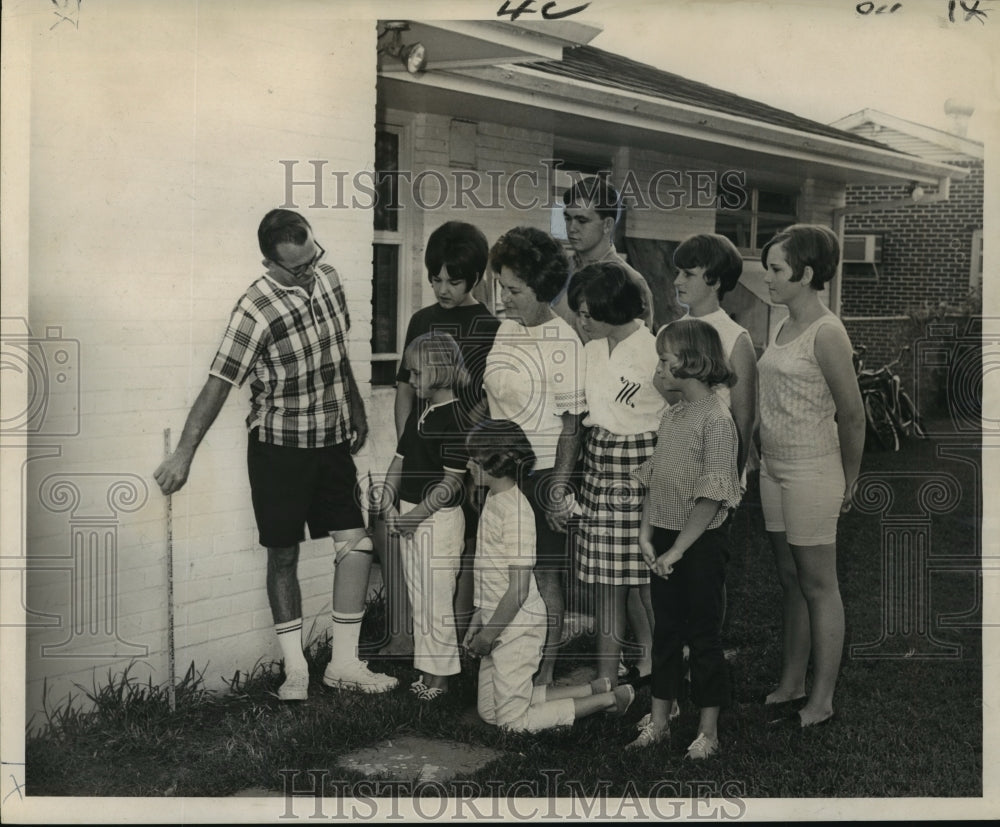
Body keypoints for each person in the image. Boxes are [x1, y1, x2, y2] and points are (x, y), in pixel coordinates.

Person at [153, 208, 396, 700]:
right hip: (278, 449)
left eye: (312, 259)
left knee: (358, 546)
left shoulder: (327, 279)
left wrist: (356, 407)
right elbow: (219, 383)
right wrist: (184, 453)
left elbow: (338, 353)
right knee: (283, 555)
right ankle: (296, 671)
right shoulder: (255, 308)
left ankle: (344, 664)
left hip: (330, 442)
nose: (309, 271)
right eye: (297, 267)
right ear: (270, 262)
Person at [757, 224, 865, 729]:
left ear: (806, 273)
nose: (768, 278)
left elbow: (853, 413)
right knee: (789, 580)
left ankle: (821, 700)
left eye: (777, 270)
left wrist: (851, 477)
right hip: (774, 469)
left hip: (813, 471)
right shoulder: (779, 325)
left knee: (819, 584)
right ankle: (792, 682)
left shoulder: (828, 331)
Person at [463, 419, 635, 731]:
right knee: (489, 713)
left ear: (496, 464)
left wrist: (489, 636)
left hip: (517, 627)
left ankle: (611, 700)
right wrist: (480, 614)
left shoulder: (516, 513)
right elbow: (488, 569)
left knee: (512, 724)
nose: (467, 465)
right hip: (496, 618)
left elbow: (517, 591)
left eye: (474, 460)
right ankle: (591, 689)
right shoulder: (493, 499)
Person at [380, 221, 500, 657]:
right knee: (404, 539)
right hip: (421, 456)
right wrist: (408, 449)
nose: (442, 288)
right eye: (435, 279)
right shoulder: (422, 320)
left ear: (476, 278)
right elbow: (405, 391)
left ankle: (458, 641)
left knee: (461, 549)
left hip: (468, 459)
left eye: (453, 281)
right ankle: (406, 635)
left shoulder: (489, 327)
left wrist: (474, 465)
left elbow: (488, 400)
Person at [478, 226, 587, 687]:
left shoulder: (564, 343)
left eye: (515, 290)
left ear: (542, 290)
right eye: (502, 286)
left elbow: (571, 427)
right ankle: (508, 664)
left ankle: (542, 675)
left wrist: (558, 489)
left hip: (542, 476)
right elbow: (492, 399)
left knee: (544, 579)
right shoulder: (506, 330)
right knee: (502, 575)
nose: (505, 297)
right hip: (501, 473)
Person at [628, 319, 742, 757]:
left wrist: (678, 549)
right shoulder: (672, 415)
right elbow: (656, 479)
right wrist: (646, 533)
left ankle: (708, 731)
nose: (659, 366)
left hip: (700, 544)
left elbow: (711, 496)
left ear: (692, 361)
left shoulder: (716, 420)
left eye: (664, 358)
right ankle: (659, 721)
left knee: (704, 636)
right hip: (667, 540)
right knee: (667, 633)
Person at [567, 262, 664, 686]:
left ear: (615, 308)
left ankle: (662, 667)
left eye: (588, 313)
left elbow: (679, 414)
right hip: (600, 463)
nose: (580, 321)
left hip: (645, 464)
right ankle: (606, 676)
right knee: (605, 580)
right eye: (579, 312)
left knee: (649, 578)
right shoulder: (590, 349)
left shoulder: (655, 349)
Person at [379, 332, 472, 701]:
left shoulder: (456, 418)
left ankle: (443, 679)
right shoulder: (422, 413)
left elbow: (450, 484)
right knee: (419, 596)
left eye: (416, 374)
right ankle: (427, 671)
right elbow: (398, 462)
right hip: (409, 516)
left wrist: (415, 516)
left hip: (437, 521)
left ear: (437, 372)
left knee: (437, 598)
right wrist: (387, 500)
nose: (411, 381)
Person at [671, 233, 758, 479]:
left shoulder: (736, 338)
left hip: (713, 465)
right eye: (677, 272)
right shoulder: (670, 331)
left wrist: (730, 482)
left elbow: (744, 419)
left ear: (716, 281)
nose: (677, 281)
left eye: (688, 274)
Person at [552, 177, 654, 339]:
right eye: (568, 218)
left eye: (582, 220)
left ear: (607, 224)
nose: (572, 228)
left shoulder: (630, 281)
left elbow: (636, 351)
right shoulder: (559, 272)